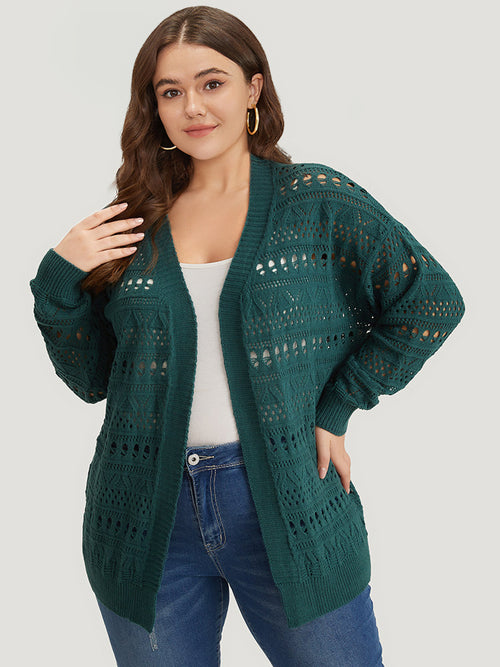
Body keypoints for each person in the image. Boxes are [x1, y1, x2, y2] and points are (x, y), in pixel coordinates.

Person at [29, 5, 466, 666]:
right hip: (144, 514)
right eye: (170, 91)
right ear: (153, 106)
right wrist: (59, 278)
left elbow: (430, 300)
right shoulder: (133, 224)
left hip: (289, 503)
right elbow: (93, 378)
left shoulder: (314, 200)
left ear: (253, 88)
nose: (192, 107)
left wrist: (338, 405)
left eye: (212, 83)